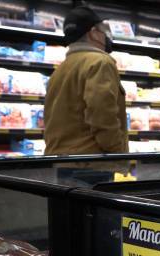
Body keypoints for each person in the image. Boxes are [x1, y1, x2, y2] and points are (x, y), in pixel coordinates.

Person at [44, 6, 128, 156]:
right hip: (90, 161)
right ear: (94, 34)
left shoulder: (61, 69)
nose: (106, 36)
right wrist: (117, 150)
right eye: (103, 31)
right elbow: (102, 114)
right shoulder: (100, 62)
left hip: (58, 158)